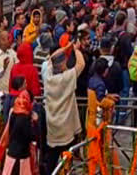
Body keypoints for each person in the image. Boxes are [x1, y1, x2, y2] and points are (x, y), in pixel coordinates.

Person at [43, 42, 85, 174]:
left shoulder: (48, 77)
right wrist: (75, 49)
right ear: (62, 64)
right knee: (66, 160)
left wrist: (65, 48)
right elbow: (81, 64)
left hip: (52, 127)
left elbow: (50, 60)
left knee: (52, 161)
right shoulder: (67, 78)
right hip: (66, 128)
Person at [1, 89, 38, 175]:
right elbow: (31, 136)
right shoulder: (25, 118)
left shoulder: (13, 113)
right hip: (21, 156)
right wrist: (35, 123)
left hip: (11, 153)